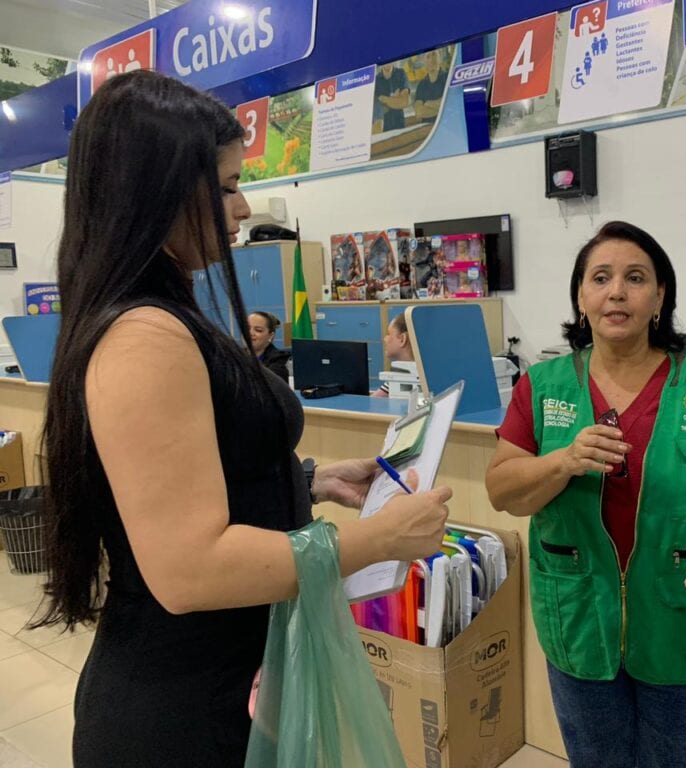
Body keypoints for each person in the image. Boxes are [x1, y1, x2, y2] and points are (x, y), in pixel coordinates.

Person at [34, 70, 452, 768]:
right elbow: (190, 569)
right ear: (156, 185)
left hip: (225, 686)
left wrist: (307, 480)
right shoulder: (145, 335)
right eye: (227, 185)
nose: (244, 206)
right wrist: (376, 541)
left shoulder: (158, 317)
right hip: (183, 715)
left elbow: (188, 480)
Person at [485, 221, 686, 768]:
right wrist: (563, 461)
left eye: (636, 278)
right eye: (601, 278)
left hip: (682, 620)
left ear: (660, 297)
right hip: (579, 620)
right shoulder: (542, 386)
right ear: (581, 297)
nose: (617, 291)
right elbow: (503, 492)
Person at [372, 314, 415, 398]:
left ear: (402, 339)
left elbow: (371, 403)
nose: (385, 339)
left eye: (389, 333)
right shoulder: (399, 376)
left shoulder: (401, 378)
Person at [248, 311, 289, 382]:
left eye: (258, 330)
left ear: (270, 336)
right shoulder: (235, 355)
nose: (250, 333)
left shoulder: (278, 362)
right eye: (247, 328)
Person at [412, 49, 448, 124]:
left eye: (434, 55)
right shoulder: (421, 85)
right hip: (428, 132)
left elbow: (451, 103)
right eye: (428, 57)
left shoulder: (448, 78)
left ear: (440, 57)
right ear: (424, 61)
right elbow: (419, 113)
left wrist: (428, 104)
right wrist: (441, 107)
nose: (431, 60)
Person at [373, 61, 410, 133]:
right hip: (383, 128)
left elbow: (404, 102)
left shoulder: (401, 73)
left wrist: (385, 99)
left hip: (400, 125)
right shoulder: (376, 81)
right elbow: (379, 109)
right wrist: (395, 98)